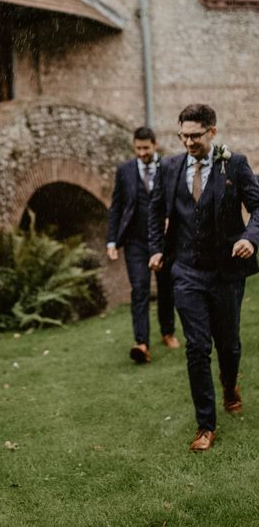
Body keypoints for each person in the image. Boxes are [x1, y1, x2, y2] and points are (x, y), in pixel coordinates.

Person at [148, 104, 259, 452]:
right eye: (183, 135)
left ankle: (229, 384)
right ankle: (205, 425)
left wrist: (249, 238)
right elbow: (154, 210)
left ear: (212, 132)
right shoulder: (169, 167)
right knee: (197, 347)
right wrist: (156, 248)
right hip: (186, 272)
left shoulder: (235, 164)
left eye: (195, 135)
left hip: (226, 272)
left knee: (229, 343)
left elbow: (258, 207)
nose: (188, 142)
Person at [107, 127, 179, 364]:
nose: (142, 153)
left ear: (155, 144)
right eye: (137, 148)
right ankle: (142, 343)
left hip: (164, 241)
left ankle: (167, 332)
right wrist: (112, 241)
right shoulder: (124, 171)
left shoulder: (168, 167)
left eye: (146, 148)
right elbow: (116, 206)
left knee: (166, 288)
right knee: (139, 290)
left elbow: (178, 200)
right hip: (135, 242)